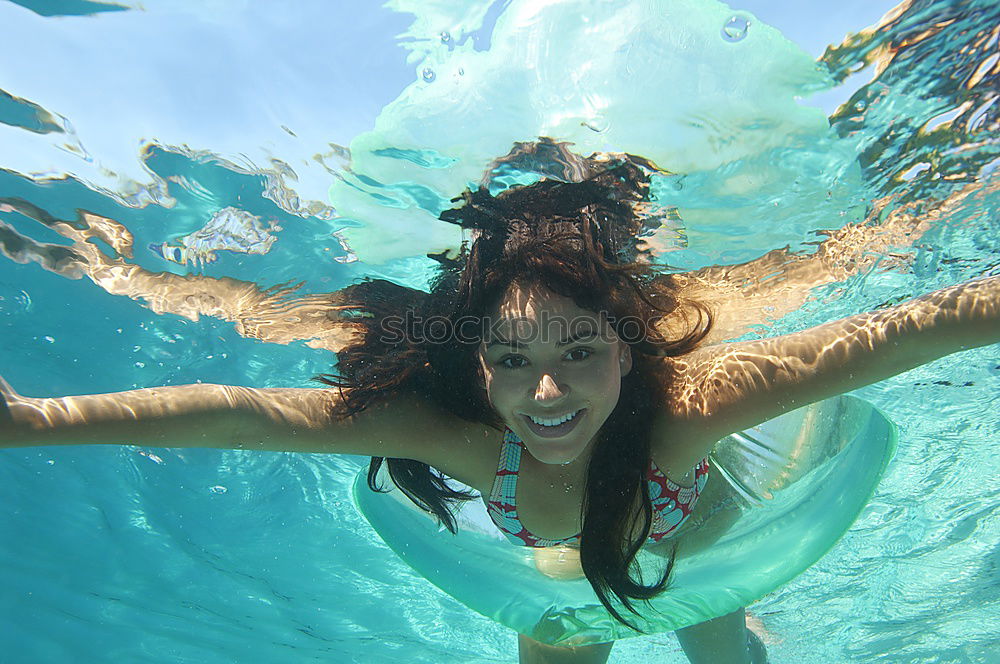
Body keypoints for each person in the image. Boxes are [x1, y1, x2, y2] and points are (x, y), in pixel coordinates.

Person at [1, 151, 997, 664]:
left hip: (706, 529)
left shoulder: (689, 405)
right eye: (513, 360)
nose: (546, 392)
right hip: (564, 564)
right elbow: (246, 414)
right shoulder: (469, 441)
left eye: (578, 351)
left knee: (720, 653)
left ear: (626, 346)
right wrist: (36, 421)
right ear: (478, 367)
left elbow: (902, 331)